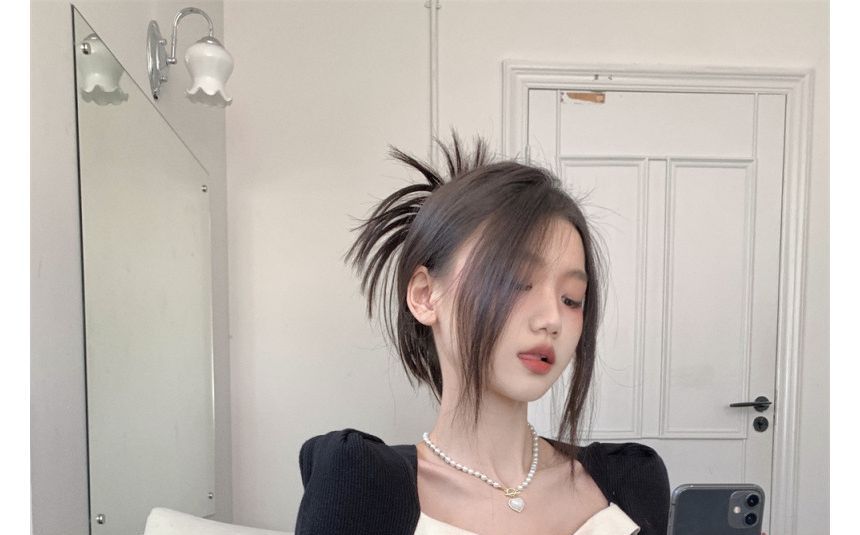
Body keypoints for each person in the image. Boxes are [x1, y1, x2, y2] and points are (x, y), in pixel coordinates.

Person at [295, 133, 670, 535]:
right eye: (515, 282)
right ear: (425, 296)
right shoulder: (360, 486)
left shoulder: (629, 479)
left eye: (571, 299)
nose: (552, 319)